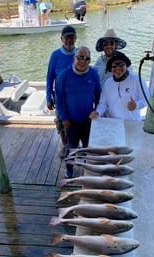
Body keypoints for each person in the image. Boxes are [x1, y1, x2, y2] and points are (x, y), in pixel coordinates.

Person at [55, 46, 101, 178]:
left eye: (86, 58)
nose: (83, 61)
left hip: (88, 120)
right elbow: (58, 98)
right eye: (80, 57)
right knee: (71, 147)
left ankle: (88, 169)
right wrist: (64, 118)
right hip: (71, 122)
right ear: (74, 58)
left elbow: (98, 95)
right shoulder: (64, 75)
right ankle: (69, 170)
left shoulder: (93, 73)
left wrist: (97, 111)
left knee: (88, 147)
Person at [90, 51, 149, 121]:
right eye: (114, 66)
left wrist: (136, 105)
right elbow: (103, 103)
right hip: (112, 122)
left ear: (126, 65)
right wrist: (98, 112)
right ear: (111, 69)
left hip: (132, 122)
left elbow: (146, 99)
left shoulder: (137, 80)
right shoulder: (108, 83)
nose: (118, 68)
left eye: (121, 64)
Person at [46, 25, 77, 158]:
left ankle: (74, 145)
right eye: (66, 37)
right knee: (61, 122)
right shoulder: (55, 55)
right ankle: (65, 144)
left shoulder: (80, 54)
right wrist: (48, 97)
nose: (69, 40)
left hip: (75, 97)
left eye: (72, 37)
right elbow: (50, 77)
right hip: (59, 97)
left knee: (75, 122)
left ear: (76, 38)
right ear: (61, 39)